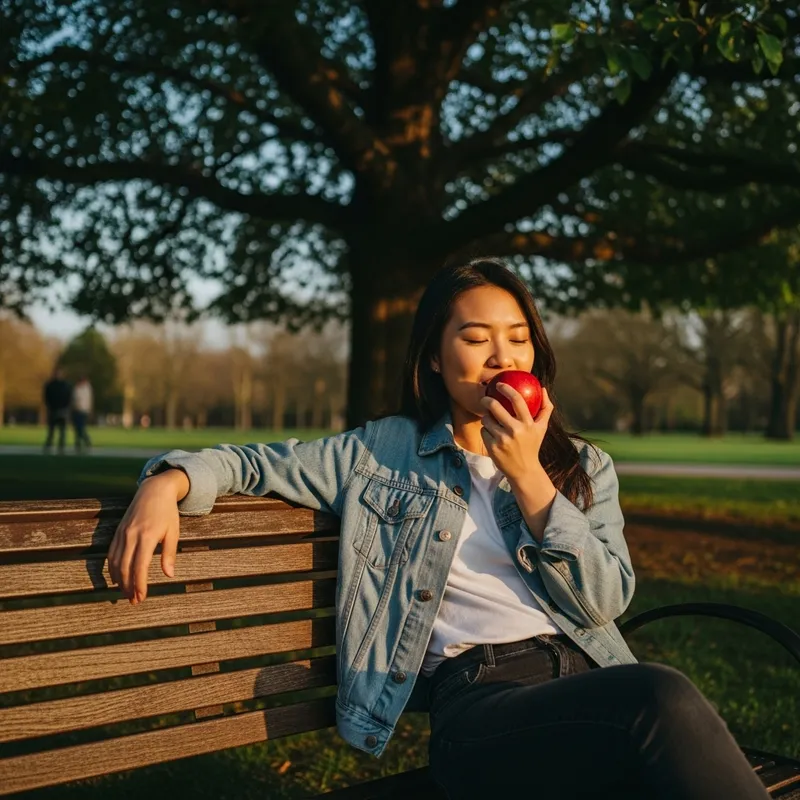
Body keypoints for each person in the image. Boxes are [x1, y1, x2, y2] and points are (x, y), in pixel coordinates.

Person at [108, 258, 770, 800]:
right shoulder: (380, 454)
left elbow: (604, 601)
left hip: (586, 687)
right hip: (484, 709)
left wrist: (530, 481)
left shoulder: (581, 465)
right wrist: (167, 481)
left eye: (516, 338)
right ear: (432, 358)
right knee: (660, 697)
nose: (500, 355)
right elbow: (247, 463)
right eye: (476, 338)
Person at [43, 367, 72, 454]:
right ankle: (55, 445)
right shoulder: (65, 385)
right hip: (57, 409)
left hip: (58, 409)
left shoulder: (50, 385)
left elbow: (46, 397)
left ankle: (55, 445)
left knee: (56, 430)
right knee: (55, 430)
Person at [71, 375, 93, 453]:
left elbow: (87, 401)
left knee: (81, 428)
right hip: (77, 410)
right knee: (77, 428)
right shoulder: (77, 388)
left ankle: (86, 441)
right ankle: (78, 443)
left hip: (83, 410)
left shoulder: (86, 389)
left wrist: (88, 410)